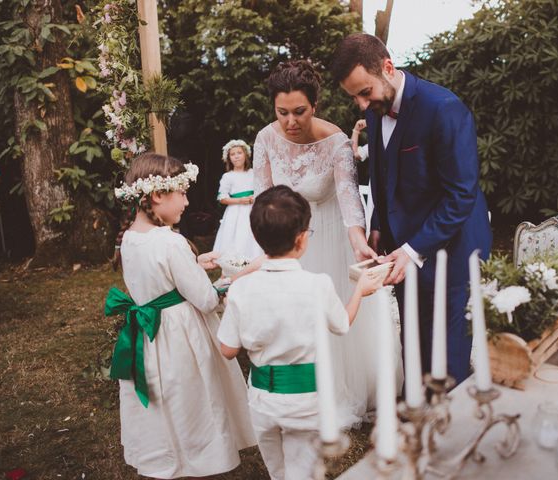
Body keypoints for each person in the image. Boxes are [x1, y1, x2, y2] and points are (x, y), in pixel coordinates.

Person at [331, 33, 493, 384]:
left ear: (388, 68)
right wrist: (377, 228)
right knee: (415, 347)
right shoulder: (375, 113)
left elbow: (461, 195)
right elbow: (382, 176)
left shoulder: (444, 108)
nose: (361, 104)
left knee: (448, 359)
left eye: (364, 92)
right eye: (354, 96)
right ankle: (420, 427)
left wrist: (413, 249)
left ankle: (454, 431)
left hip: (454, 253)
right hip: (403, 251)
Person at [253, 60, 403, 426]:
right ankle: (295, 385)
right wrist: (265, 253)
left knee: (334, 310)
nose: (290, 121)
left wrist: (358, 240)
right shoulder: (265, 138)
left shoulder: (336, 142)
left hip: (333, 233)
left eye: (299, 112)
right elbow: (262, 199)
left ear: (314, 106)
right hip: (288, 237)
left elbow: (350, 197)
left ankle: (340, 388)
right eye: (282, 112)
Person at [105, 152, 256, 479]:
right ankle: (202, 454)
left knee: (165, 397)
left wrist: (194, 265)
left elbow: (158, 282)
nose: (187, 202)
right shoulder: (170, 243)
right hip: (180, 335)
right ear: (157, 195)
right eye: (182, 193)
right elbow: (203, 299)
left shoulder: (129, 239)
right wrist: (231, 280)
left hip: (151, 336)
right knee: (193, 397)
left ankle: (167, 453)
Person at [217, 185, 383, 480]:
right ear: (302, 239)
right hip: (305, 401)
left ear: (257, 237)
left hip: (261, 400)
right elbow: (341, 324)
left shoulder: (241, 288)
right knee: (303, 473)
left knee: (277, 471)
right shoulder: (317, 284)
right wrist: (359, 290)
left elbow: (228, 350)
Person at [212, 139, 263, 260]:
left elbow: (261, 189)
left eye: (239, 153)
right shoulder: (228, 176)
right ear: (229, 158)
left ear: (246, 154)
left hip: (252, 209)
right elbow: (222, 197)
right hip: (235, 212)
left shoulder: (253, 173)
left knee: (251, 233)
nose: (236, 157)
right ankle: (236, 261)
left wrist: (254, 198)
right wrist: (240, 201)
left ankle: (254, 259)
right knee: (237, 235)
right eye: (232, 154)